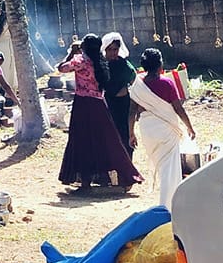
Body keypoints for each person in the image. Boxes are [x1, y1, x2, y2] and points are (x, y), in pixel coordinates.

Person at [57, 34, 140, 192]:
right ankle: (124, 177)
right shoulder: (101, 62)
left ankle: (86, 182)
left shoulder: (80, 61)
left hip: (83, 105)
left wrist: (72, 53)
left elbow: (61, 68)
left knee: (82, 142)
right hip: (99, 105)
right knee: (106, 140)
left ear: (85, 48)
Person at [129, 48, 197, 209]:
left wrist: (131, 133)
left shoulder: (138, 84)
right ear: (161, 65)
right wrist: (189, 127)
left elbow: (132, 111)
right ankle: (167, 205)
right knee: (169, 168)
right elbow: (179, 108)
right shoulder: (167, 83)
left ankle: (170, 201)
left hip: (147, 130)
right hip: (166, 130)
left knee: (163, 167)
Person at [100, 32, 137, 153]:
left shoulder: (124, 64)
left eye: (115, 49)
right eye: (109, 49)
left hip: (124, 103)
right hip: (109, 103)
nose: (112, 52)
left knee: (125, 134)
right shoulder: (102, 65)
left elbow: (134, 81)